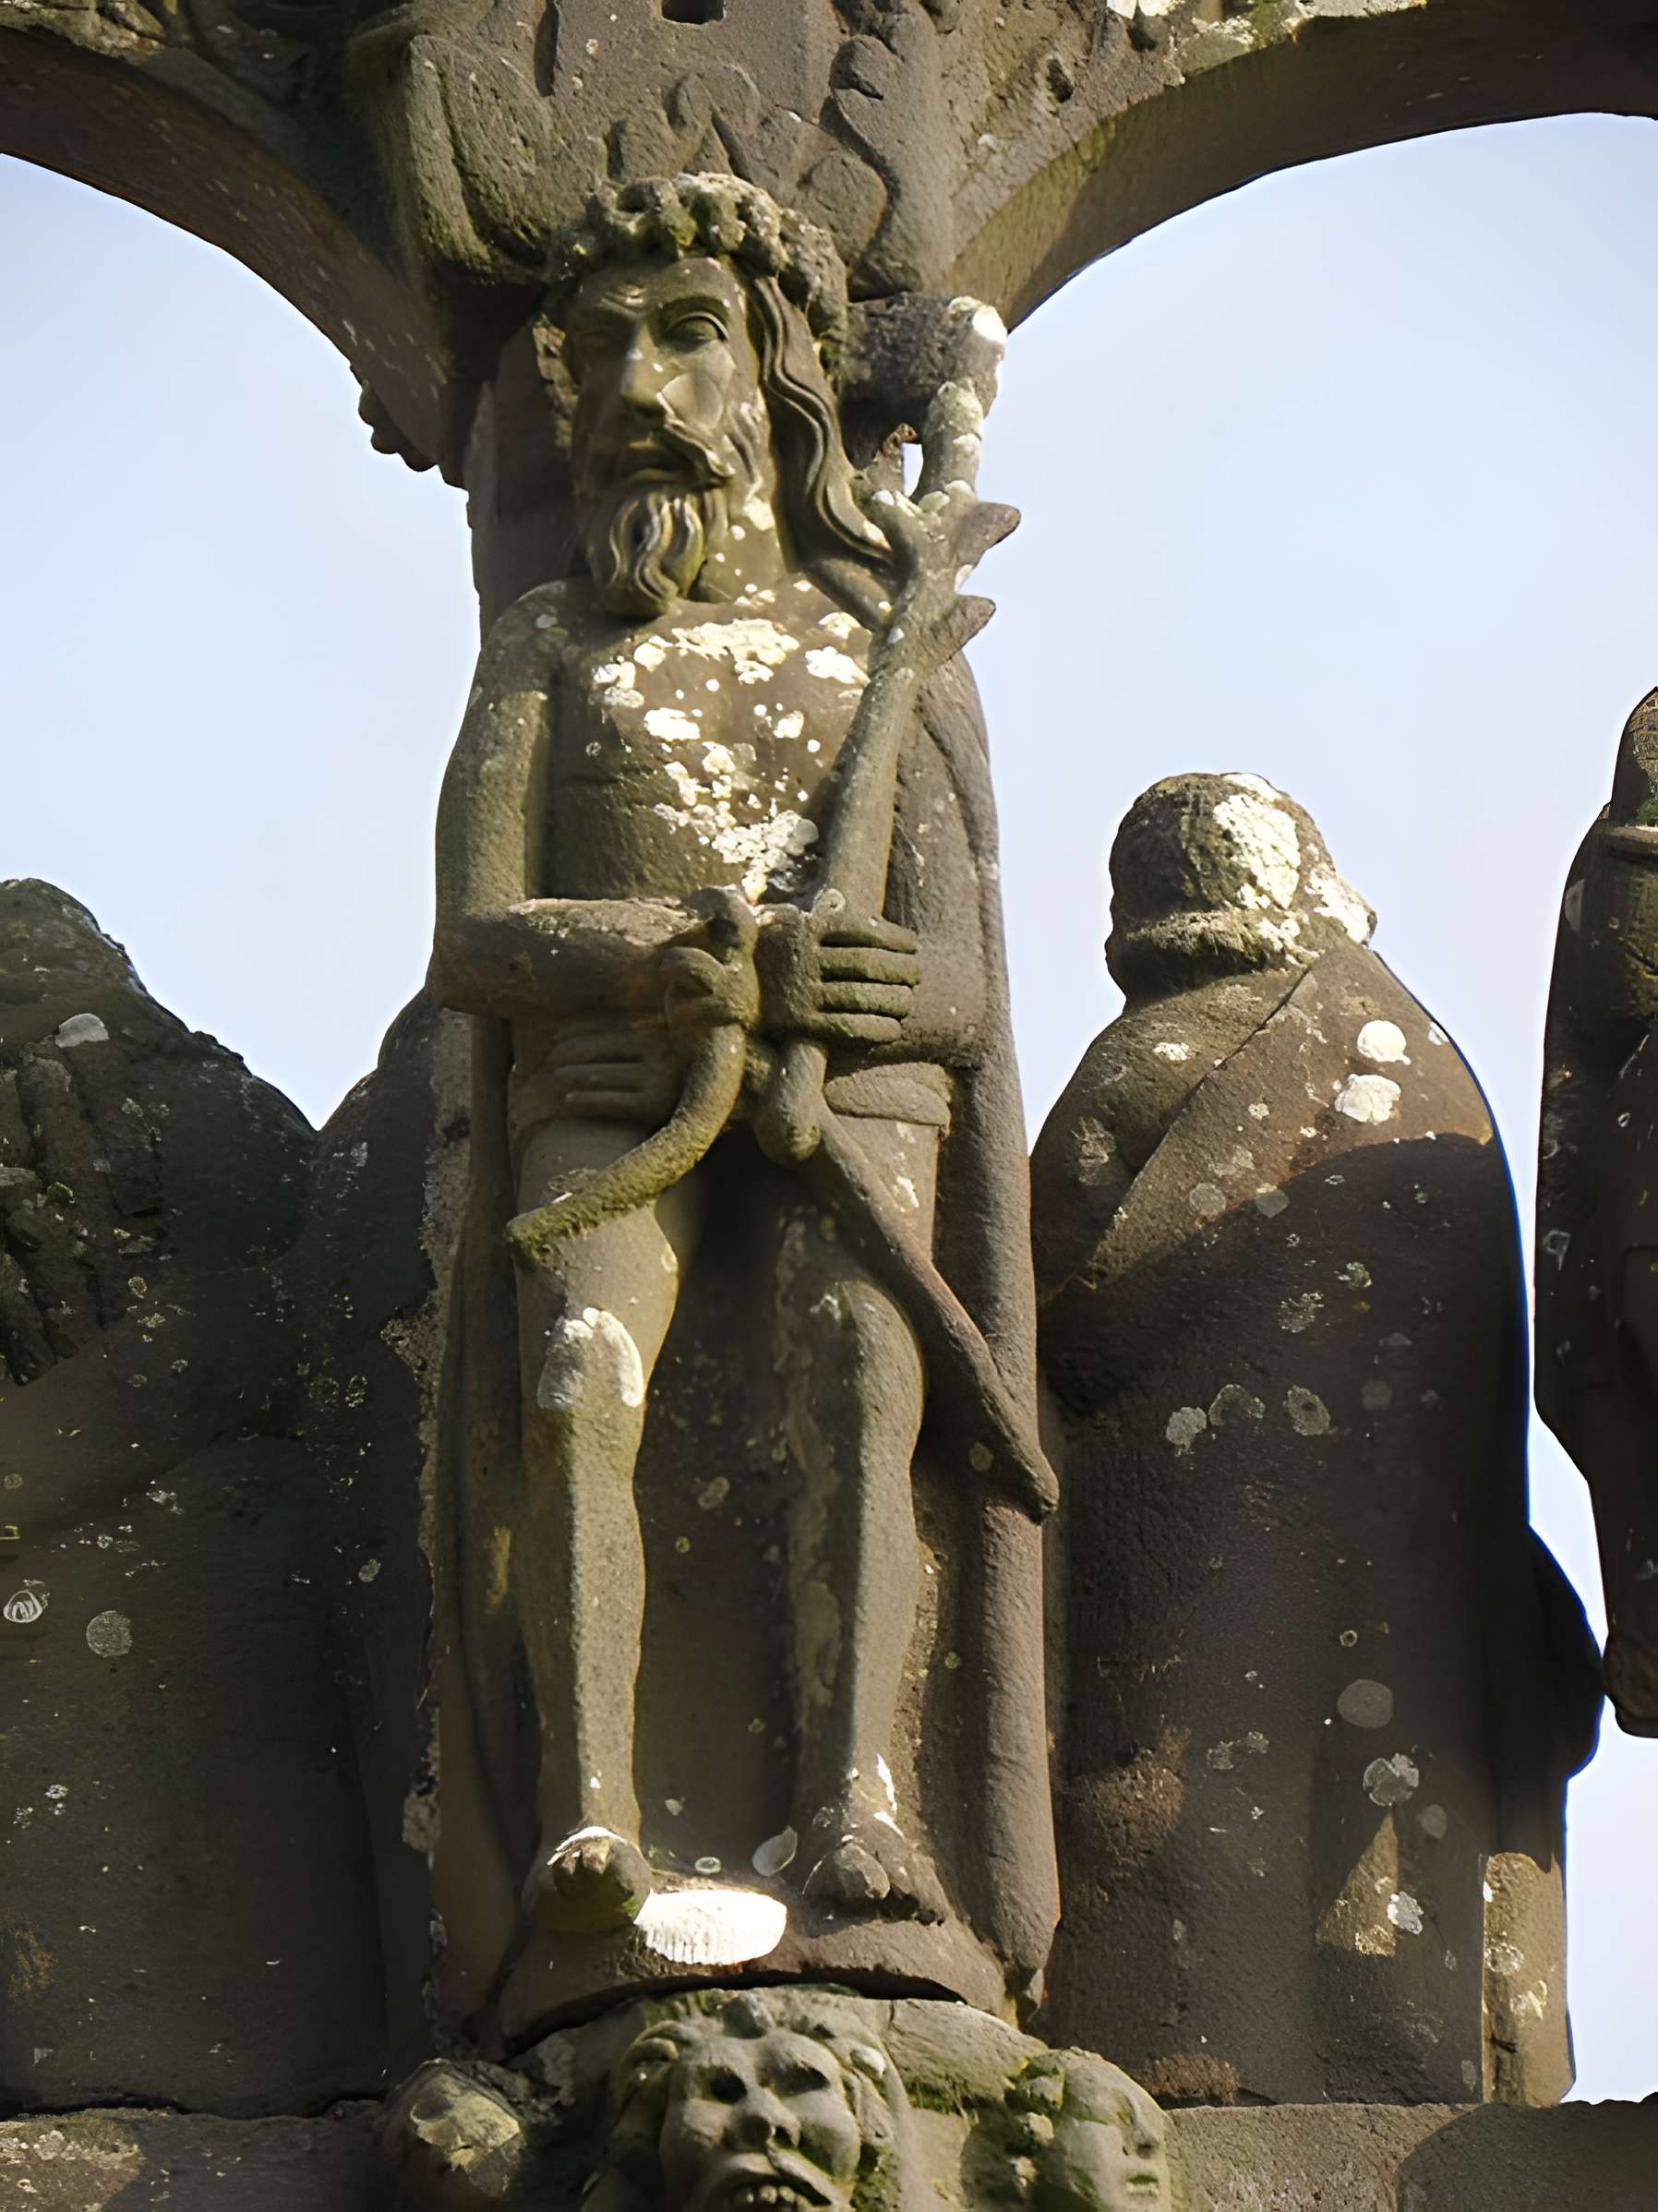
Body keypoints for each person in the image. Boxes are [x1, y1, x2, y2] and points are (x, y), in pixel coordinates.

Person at [427, 175, 1053, 1995]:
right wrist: (639, 953)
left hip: (847, 1091)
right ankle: (590, 1798)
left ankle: (865, 1793)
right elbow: (476, 936)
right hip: (617, 1078)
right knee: (571, 1385)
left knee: (862, 1381)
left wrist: (896, 988)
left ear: (779, 368)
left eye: (687, 332)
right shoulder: (549, 646)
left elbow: (963, 972)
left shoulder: (883, 644)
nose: (639, 378)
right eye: (601, 344)